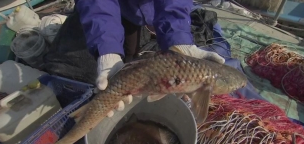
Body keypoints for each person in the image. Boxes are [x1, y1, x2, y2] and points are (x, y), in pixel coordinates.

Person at [74, 0, 225, 116]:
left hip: (149, 9)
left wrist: (178, 37)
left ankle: (127, 69)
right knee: (126, 47)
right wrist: (107, 48)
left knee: (132, 49)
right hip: (117, 7)